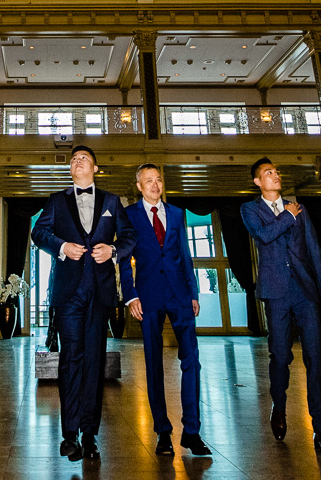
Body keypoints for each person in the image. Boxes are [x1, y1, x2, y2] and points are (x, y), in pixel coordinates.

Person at [31, 144, 136, 463]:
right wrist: (61, 246)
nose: (77, 161)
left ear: (95, 167)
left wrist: (114, 251)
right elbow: (38, 233)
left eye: (84, 158)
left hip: (100, 293)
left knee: (94, 362)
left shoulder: (112, 201)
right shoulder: (56, 201)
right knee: (70, 360)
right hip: (69, 293)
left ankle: (90, 434)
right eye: (74, 159)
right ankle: (69, 434)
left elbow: (130, 236)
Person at [240, 157, 321, 457]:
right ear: (258, 182)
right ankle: (279, 406)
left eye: (276, 172)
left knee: (315, 358)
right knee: (280, 355)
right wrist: (286, 215)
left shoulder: (299, 208)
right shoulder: (250, 209)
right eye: (268, 173)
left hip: (305, 290)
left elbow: (313, 249)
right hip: (276, 290)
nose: (275, 176)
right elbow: (264, 235)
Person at [119, 163, 210, 457]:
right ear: (139, 186)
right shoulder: (129, 215)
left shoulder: (177, 214)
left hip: (180, 295)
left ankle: (192, 432)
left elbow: (185, 254)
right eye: (148, 180)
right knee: (154, 364)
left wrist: (193, 292)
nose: (155, 185)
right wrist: (130, 296)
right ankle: (162, 432)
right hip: (148, 297)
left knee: (192, 362)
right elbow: (123, 258)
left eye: (158, 179)